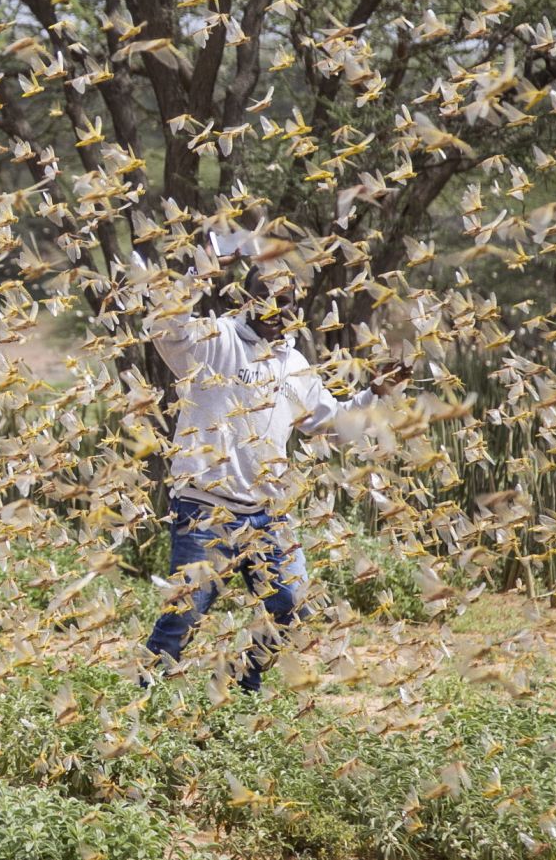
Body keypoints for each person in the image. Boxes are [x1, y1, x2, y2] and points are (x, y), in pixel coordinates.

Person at [138, 259, 407, 693]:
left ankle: (243, 683)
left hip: (267, 515)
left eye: (288, 303)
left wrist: (376, 394)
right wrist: (194, 276)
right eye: (269, 299)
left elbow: (332, 424)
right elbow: (169, 329)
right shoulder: (216, 339)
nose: (280, 310)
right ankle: (140, 703)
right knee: (185, 615)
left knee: (292, 604)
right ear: (247, 300)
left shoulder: (295, 365)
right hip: (205, 510)